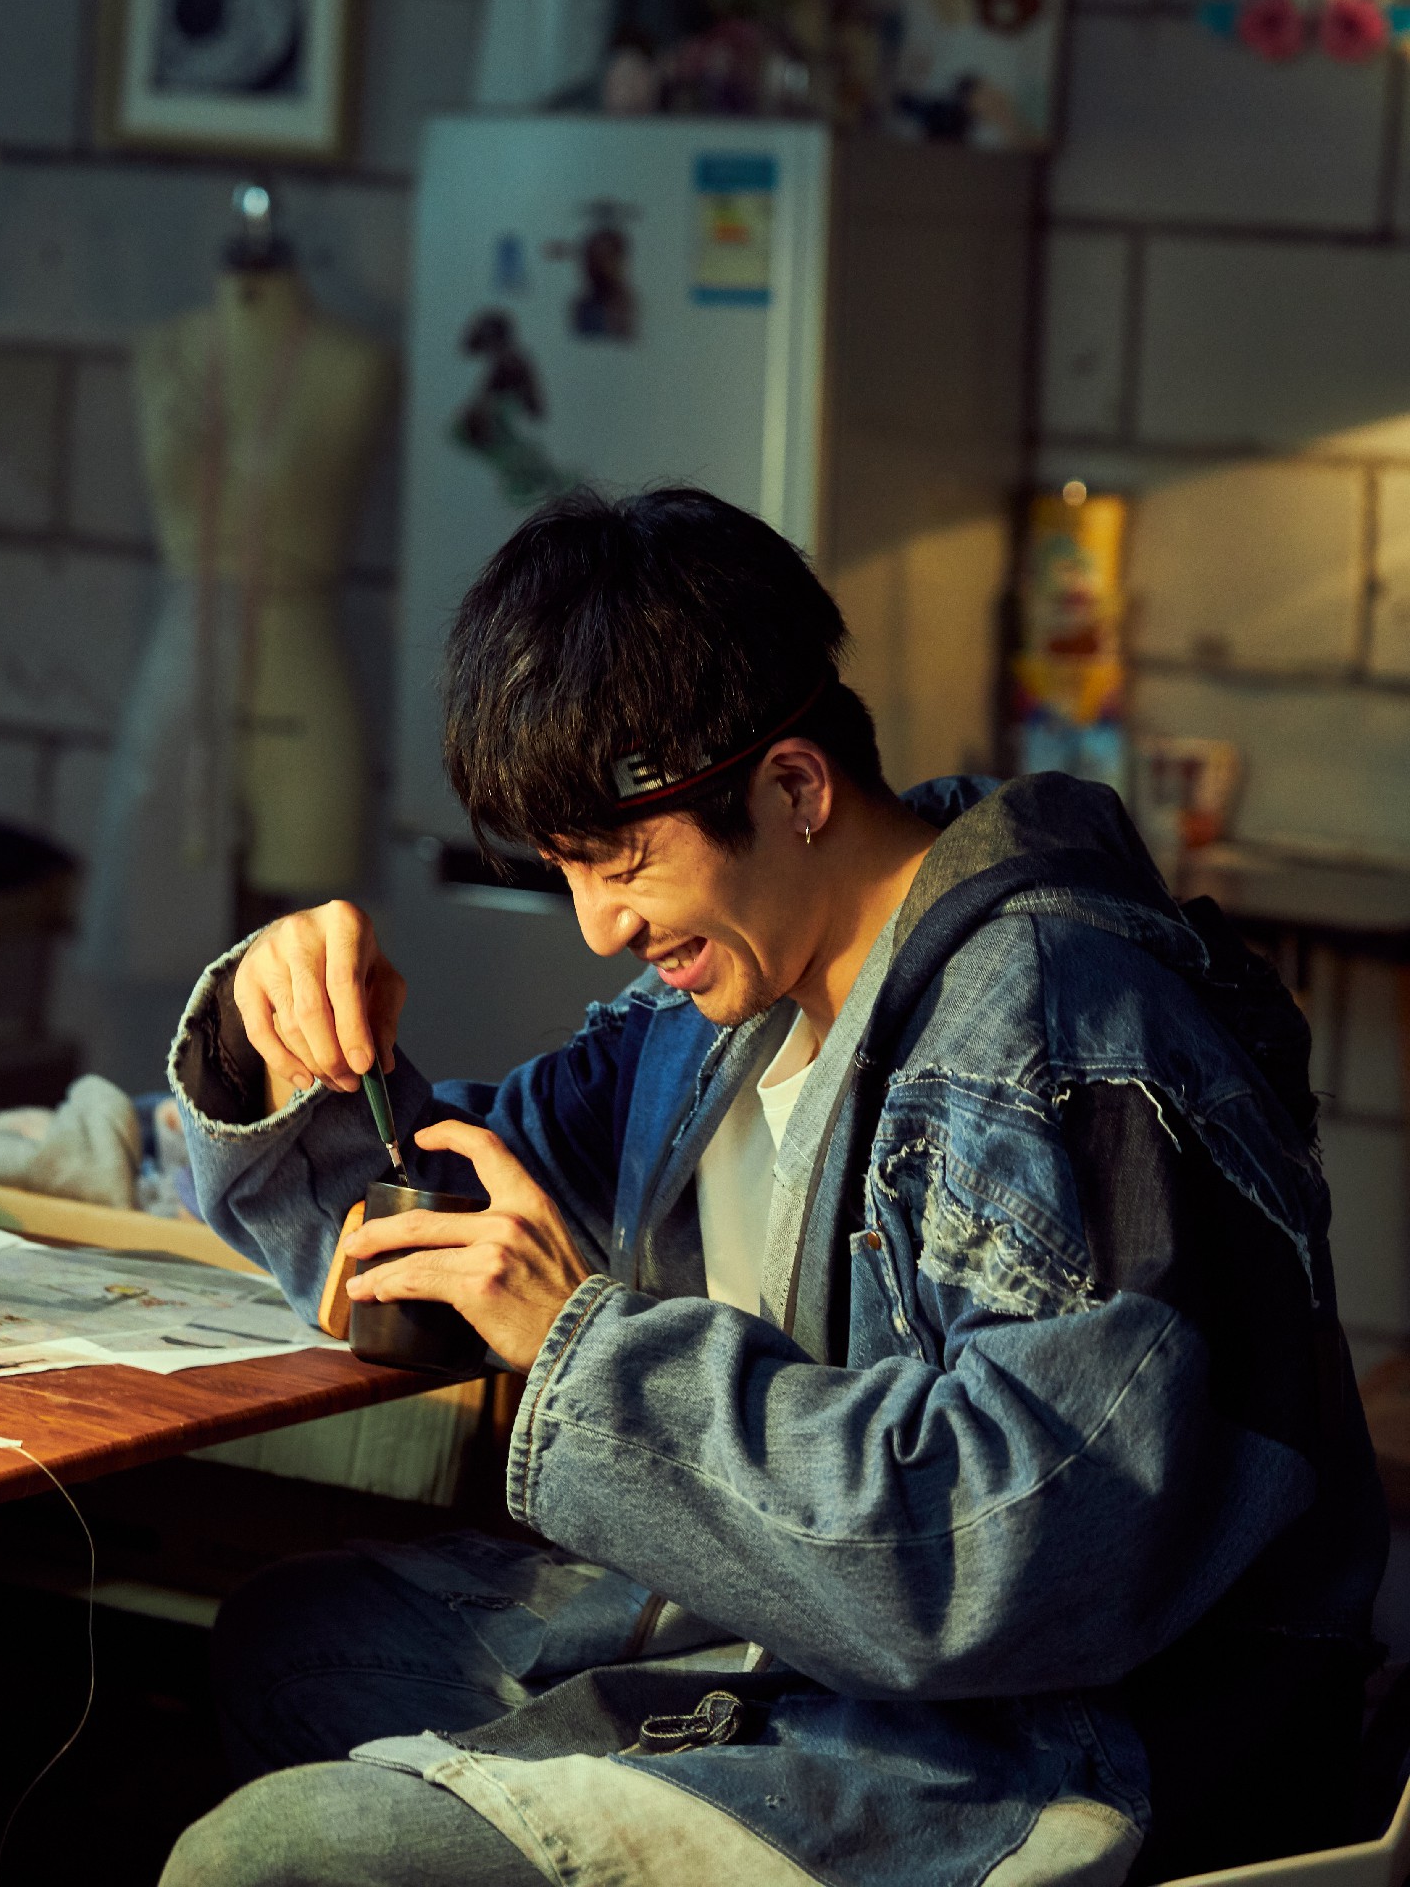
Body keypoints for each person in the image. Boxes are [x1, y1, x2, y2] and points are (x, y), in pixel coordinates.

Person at [162, 486, 1386, 1887]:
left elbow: (1014, 1552)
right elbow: (441, 1236)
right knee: (294, 1646)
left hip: (1035, 1742)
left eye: (622, 862)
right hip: (798, 1656)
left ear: (795, 789)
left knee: (276, 1858)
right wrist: (274, 1042)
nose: (600, 926)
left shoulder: (1053, 1026)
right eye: (568, 869)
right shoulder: (714, 1019)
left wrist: (586, 1352)